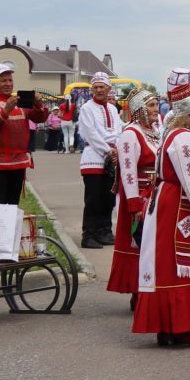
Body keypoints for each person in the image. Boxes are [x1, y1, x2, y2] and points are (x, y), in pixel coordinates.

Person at [133, 69, 190, 348]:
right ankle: (178, 327)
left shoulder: (171, 134)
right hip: (179, 206)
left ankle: (170, 327)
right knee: (180, 265)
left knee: (168, 263)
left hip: (169, 201)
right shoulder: (184, 137)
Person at [109, 90, 163, 305]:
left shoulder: (156, 131)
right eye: (150, 106)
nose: (156, 109)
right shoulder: (131, 133)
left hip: (155, 195)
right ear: (139, 109)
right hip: (139, 197)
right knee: (139, 242)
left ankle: (152, 287)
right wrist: (134, 203)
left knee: (153, 243)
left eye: (156, 104)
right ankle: (137, 291)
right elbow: (128, 171)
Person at [0, 65, 47, 207]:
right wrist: (5, 111)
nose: (8, 84)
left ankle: (10, 230)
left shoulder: (19, 100)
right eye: (3, 81)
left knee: (12, 205)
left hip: (17, 162)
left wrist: (38, 104)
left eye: (10, 80)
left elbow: (40, 118)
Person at [75, 72, 123, 249]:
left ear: (108, 89)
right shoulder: (87, 108)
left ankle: (105, 231)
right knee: (93, 199)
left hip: (112, 157)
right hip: (93, 159)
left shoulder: (112, 108)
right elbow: (90, 134)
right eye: (95, 87)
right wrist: (108, 150)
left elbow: (118, 130)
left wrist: (117, 148)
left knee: (108, 197)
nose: (98, 90)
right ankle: (89, 234)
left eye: (102, 87)